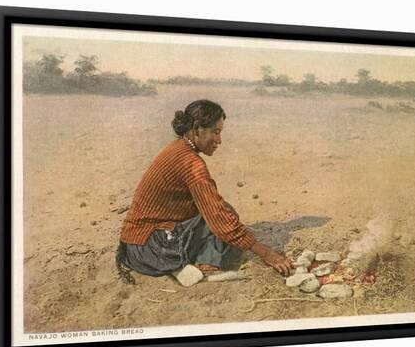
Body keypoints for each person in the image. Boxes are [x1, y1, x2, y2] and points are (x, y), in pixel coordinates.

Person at [116, 99, 292, 284]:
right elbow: (218, 217)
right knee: (223, 219)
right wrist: (267, 253)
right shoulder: (191, 163)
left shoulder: (178, 149)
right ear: (197, 128)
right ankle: (205, 266)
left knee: (222, 214)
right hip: (150, 248)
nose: (219, 140)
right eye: (215, 132)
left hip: (135, 246)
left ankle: (184, 267)